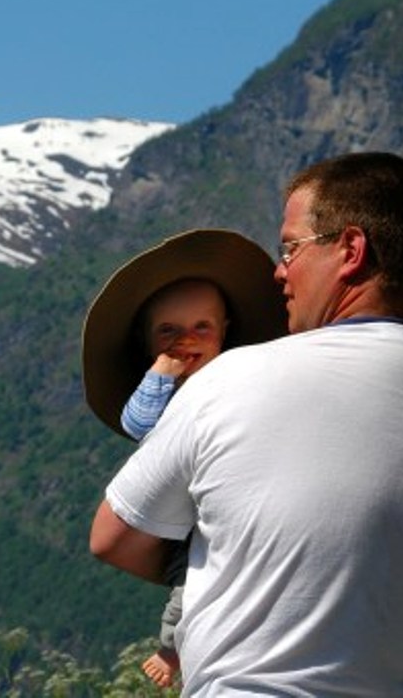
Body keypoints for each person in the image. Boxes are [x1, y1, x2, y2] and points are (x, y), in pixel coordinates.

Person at [90, 152, 403, 696]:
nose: (279, 272)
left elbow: (113, 536)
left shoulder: (230, 379)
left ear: (350, 251)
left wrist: (225, 552)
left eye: (291, 248)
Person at [81, 228, 288, 688]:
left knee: (196, 580)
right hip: (189, 514)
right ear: (148, 341)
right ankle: (172, 648)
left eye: (201, 328)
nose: (184, 342)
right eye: (168, 331)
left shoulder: (236, 379)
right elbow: (136, 422)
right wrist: (160, 375)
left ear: (224, 331)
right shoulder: (162, 388)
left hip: (230, 503)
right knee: (187, 584)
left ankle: (174, 647)